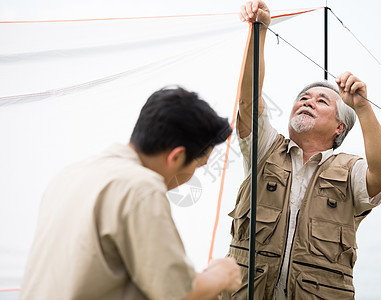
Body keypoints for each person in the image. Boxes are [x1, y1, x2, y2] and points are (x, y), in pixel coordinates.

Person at [223, 1, 381, 299]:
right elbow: (248, 102)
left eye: (321, 101)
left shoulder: (351, 170)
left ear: (339, 127)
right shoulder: (264, 149)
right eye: (303, 97)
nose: (307, 101)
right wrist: (259, 30)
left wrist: (363, 107)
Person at [19, 87, 242, 300]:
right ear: (176, 157)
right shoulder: (141, 188)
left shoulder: (69, 175)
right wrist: (220, 274)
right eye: (199, 165)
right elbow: (178, 293)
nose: (193, 175)